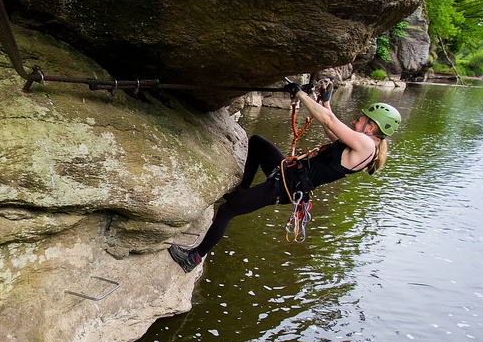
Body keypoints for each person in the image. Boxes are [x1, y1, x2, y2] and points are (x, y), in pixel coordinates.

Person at [168, 82, 401, 272]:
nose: (354, 121)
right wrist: (326, 100)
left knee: (227, 211)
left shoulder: (365, 146)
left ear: (371, 128)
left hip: (287, 185)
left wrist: (300, 94)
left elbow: (329, 121)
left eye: (360, 120)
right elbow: (332, 130)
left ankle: (193, 258)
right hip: (289, 172)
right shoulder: (362, 145)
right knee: (258, 143)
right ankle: (242, 189)